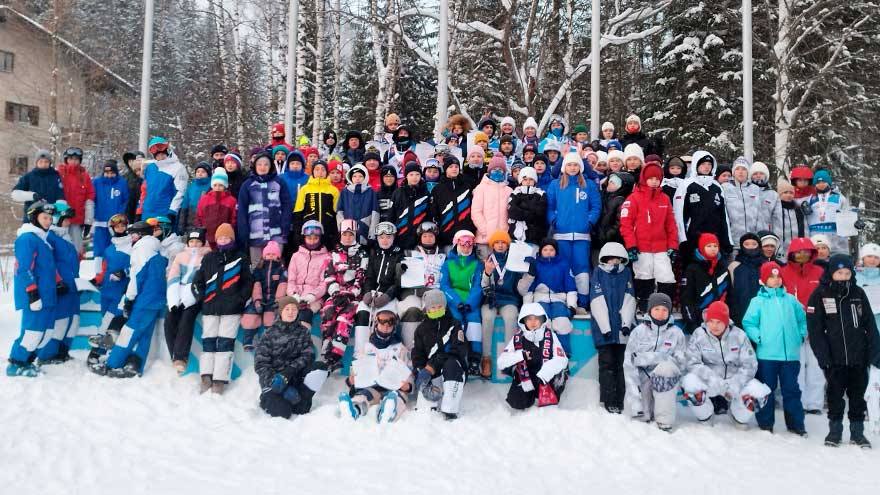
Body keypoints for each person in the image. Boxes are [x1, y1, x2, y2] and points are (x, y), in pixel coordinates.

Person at [806, 254, 880, 447]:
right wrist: (824, 357)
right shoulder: (820, 294)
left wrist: (875, 353)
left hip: (858, 357)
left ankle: (857, 433)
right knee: (835, 397)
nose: (843, 276)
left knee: (858, 397)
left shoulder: (858, 293)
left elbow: (870, 325)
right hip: (834, 359)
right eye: (839, 273)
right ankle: (835, 431)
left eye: (847, 272)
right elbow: (815, 331)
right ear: (831, 272)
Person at [91, 219, 168, 378]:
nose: (131, 238)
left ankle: (113, 364)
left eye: (133, 235)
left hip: (144, 299)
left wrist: (129, 299)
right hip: (156, 300)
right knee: (145, 334)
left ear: (140, 235)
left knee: (128, 332)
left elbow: (136, 278)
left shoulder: (141, 250)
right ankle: (135, 366)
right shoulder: (158, 248)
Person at [742, 261, 808, 435]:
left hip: (790, 357)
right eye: (771, 277)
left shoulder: (791, 300)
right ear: (764, 279)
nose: (776, 280)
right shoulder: (757, 301)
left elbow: (802, 320)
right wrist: (759, 337)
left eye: (778, 276)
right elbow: (748, 322)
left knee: (791, 390)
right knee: (766, 390)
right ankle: (765, 423)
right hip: (767, 355)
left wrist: (801, 335)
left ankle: (796, 424)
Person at [682, 301, 769, 426]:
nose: (714, 326)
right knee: (690, 384)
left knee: (759, 393)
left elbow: (750, 365)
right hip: (711, 380)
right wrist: (714, 381)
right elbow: (692, 362)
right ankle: (705, 416)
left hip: (734, 381)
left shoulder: (739, 335)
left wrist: (734, 385)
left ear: (726, 322)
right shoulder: (699, 334)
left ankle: (738, 417)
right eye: (711, 321)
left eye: (719, 322)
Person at [192, 223, 253, 394]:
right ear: (216, 239)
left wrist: (239, 300)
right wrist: (202, 298)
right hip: (210, 308)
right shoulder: (209, 258)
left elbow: (248, 282)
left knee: (225, 343)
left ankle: (219, 379)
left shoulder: (241, 258)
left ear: (232, 239)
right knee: (208, 342)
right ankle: (206, 375)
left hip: (231, 309)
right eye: (220, 237)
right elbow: (197, 281)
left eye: (227, 237)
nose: (223, 240)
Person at [255, 296, 330, 418]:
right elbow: (260, 364)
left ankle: (303, 398)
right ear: (280, 311)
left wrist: (289, 372)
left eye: (294, 309)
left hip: (294, 378)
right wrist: (280, 385)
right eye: (287, 309)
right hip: (274, 383)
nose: (291, 312)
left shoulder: (303, 332)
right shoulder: (269, 333)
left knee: (320, 368)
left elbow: (309, 355)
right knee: (283, 412)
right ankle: (268, 399)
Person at [7, 201, 58, 377]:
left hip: (47, 295)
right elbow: (23, 268)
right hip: (35, 296)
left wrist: (58, 282)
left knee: (44, 333)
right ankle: (16, 363)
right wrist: (32, 292)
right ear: (34, 217)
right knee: (32, 332)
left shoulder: (42, 241)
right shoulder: (27, 238)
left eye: (50, 218)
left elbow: (47, 269)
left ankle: (27, 361)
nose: (48, 221)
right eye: (45, 217)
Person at [619, 161, 678, 311]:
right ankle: (645, 305)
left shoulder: (664, 199)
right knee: (644, 275)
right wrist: (631, 245)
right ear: (644, 179)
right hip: (641, 247)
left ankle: (665, 307)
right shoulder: (633, 198)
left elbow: (671, 225)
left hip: (661, 247)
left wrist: (673, 246)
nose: (654, 181)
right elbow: (626, 225)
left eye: (657, 179)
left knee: (666, 276)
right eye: (651, 178)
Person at [623, 293, 686, 431]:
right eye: (656, 309)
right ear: (650, 310)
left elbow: (680, 362)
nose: (660, 313)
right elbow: (629, 363)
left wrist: (645, 358)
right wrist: (635, 402)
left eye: (664, 310)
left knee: (666, 368)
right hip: (643, 378)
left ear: (669, 312)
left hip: (665, 378)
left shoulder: (677, 333)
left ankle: (664, 420)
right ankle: (643, 408)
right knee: (642, 416)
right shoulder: (638, 332)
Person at [546, 152, 602, 310]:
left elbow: (596, 206)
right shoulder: (555, 185)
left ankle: (583, 303)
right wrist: (554, 220)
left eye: (576, 165)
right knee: (564, 267)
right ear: (564, 167)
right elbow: (549, 207)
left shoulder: (589, 185)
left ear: (580, 167)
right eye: (569, 164)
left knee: (582, 268)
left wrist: (589, 222)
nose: (572, 167)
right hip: (561, 235)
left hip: (582, 236)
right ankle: (565, 301)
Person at [338, 309, 413, 422]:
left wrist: (408, 386)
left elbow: (409, 373)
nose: (386, 325)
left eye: (390, 322)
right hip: (372, 387)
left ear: (394, 325)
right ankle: (354, 409)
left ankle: (389, 411)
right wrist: (351, 380)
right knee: (364, 395)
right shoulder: (366, 347)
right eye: (382, 321)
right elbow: (356, 371)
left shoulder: (401, 349)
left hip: (394, 387)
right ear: (376, 323)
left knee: (396, 397)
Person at [589, 242, 637, 414]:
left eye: (617, 259)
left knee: (622, 365)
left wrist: (626, 324)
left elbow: (629, 298)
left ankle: (622, 399)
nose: (613, 262)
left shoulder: (626, 274)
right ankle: (609, 400)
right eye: (610, 259)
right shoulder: (598, 273)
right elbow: (596, 300)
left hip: (622, 331)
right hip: (604, 331)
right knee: (607, 364)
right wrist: (605, 327)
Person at [780, 237, 826, 413]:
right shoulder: (783, 272)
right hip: (792, 325)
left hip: (817, 325)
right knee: (796, 365)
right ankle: (797, 400)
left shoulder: (820, 272)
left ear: (811, 253)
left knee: (816, 365)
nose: (801, 255)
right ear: (791, 253)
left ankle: (814, 404)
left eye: (806, 251)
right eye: (798, 252)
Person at [497, 303, 569, 409]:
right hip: (527, 377)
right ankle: (529, 395)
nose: (533, 322)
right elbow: (501, 362)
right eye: (529, 319)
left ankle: (547, 393)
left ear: (542, 320)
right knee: (517, 403)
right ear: (524, 321)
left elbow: (562, 359)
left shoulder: (551, 336)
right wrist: (520, 355)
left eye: (537, 318)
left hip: (547, 377)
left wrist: (545, 374)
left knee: (548, 407)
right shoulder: (517, 338)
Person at [411, 289, 469, 420]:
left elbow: (457, 350)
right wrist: (421, 371)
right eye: (433, 307)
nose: (436, 309)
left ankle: (450, 409)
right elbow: (417, 354)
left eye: (440, 306)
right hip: (431, 372)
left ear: (445, 306)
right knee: (424, 409)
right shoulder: (420, 330)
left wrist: (432, 366)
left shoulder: (455, 325)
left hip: (452, 371)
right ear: (427, 309)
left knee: (451, 364)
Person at [319, 219, 368, 370]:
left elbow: (362, 276)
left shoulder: (362, 253)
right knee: (328, 312)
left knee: (343, 318)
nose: (347, 237)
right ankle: (326, 349)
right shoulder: (333, 253)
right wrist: (335, 293)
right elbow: (328, 275)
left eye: (351, 234)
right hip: (336, 294)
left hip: (353, 297)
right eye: (345, 234)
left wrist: (350, 294)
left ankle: (335, 356)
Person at [32, 201, 78, 364]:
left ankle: (62, 352)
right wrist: (57, 281)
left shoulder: (64, 236)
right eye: (65, 219)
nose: (69, 222)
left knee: (73, 321)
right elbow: (47, 263)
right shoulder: (49, 237)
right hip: (60, 285)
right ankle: (46, 354)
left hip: (71, 284)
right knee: (60, 321)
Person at [164, 227, 210, 374]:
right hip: (178, 292)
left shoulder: (208, 257)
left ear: (202, 243)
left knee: (186, 320)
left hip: (195, 295)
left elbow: (202, 280)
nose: (194, 244)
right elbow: (173, 276)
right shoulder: (181, 256)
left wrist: (189, 297)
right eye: (192, 241)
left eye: (198, 241)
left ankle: (181, 357)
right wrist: (173, 299)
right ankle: (175, 356)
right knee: (170, 319)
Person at [88, 214, 131, 366]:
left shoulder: (133, 245)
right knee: (105, 322)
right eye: (117, 226)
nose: (120, 228)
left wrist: (124, 272)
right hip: (106, 292)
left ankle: (97, 352)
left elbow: (138, 267)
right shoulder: (109, 248)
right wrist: (96, 279)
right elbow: (104, 269)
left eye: (122, 225)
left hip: (121, 292)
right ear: (112, 229)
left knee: (109, 322)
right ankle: (102, 352)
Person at [352, 222, 403, 353]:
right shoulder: (374, 253)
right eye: (381, 237)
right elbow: (369, 276)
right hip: (373, 293)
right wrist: (367, 292)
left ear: (393, 238)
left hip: (389, 296)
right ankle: (360, 352)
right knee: (363, 312)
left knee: (385, 318)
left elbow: (399, 282)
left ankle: (385, 354)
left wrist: (387, 296)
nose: (385, 240)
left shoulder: (399, 255)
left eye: (388, 237)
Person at [521, 238, 578, 353]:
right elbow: (529, 289)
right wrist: (527, 307)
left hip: (559, 299)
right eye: (545, 249)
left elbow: (571, 287)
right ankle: (543, 354)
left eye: (551, 249)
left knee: (562, 322)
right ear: (540, 251)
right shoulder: (535, 264)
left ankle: (564, 355)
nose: (548, 252)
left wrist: (572, 306)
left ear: (556, 251)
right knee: (543, 323)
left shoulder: (564, 264)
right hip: (540, 299)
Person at [673, 151, 733, 260]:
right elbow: (678, 215)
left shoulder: (716, 187)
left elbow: (724, 216)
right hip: (693, 240)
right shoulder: (686, 185)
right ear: (696, 165)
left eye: (709, 164)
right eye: (703, 164)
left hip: (714, 240)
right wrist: (682, 240)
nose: (706, 167)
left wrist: (727, 241)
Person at [479, 231, 523, 379]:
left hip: (509, 299)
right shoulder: (487, 260)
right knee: (487, 319)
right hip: (491, 299)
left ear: (507, 245)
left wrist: (528, 271)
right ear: (492, 245)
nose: (499, 245)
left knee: (511, 317)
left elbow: (520, 286)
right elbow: (483, 286)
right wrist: (487, 272)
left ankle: (509, 359)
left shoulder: (514, 261)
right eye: (496, 242)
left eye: (503, 242)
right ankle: (486, 359)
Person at [440, 230, 484, 376]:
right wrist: (457, 302)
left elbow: (478, 286)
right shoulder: (448, 264)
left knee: (474, 322)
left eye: (469, 245)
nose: (466, 248)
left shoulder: (477, 264)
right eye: (462, 244)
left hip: (471, 302)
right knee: (455, 323)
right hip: (454, 302)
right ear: (456, 244)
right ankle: (452, 356)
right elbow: (444, 286)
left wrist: (470, 303)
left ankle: (474, 359)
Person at [238, 153, 293, 267]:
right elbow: (242, 209)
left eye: (266, 164)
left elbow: (287, 205)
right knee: (257, 265)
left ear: (270, 166)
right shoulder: (247, 185)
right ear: (255, 166)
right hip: (255, 233)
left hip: (276, 232)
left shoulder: (279, 182)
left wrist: (285, 225)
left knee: (275, 265)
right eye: (259, 164)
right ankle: (257, 285)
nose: (262, 167)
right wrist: (243, 230)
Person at [396, 222, 447, 346]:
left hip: (433, 292)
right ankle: (410, 348)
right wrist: (400, 269)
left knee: (434, 311)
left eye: (431, 236)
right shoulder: (410, 253)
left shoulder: (443, 255)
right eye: (425, 236)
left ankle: (432, 349)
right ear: (420, 238)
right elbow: (398, 278)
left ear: (435, 237)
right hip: (412, 292)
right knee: (412, 310)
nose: (428, 239)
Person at [286, 220, 331, 330]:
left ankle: (302, 343)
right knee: (287, 313)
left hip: (314, 298)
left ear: (320, 238)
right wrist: (294, 295)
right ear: (304, 238)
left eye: (315, 238)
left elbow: (324, 284)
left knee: (304, 314)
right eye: (309, 238)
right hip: (296, 295)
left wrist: (312, 296)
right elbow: (291, 280)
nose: (312, 242)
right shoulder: (296, 256)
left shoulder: (327, 257)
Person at [681, 233, 730, 333]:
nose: (713, 249)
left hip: (720, 319)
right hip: (699, 320)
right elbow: (686, 297)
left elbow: (730, 293)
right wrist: (691, 321)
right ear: (701, 247)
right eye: (709, 246)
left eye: (715, 246)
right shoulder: (692, 269)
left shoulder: (723, 268)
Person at [140, 136, 189, 227]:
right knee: (146, 240)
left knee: (163, 239)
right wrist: (139, 209)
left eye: (163, 154)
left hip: (165, 212)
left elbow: (181, 192)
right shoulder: (151, 168)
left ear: (167, 150)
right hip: (147, 212)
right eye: (157, 155)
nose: (160, 157)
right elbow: (144, 190)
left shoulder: (178, 168)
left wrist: (173, 211)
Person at [430, 155, 476, 249]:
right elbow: (434, 211)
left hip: (466, 235)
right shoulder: (438, 189)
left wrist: (471, 227)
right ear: (445, 169)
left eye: (456, 167)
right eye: (451, 167)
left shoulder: (467, 186)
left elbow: (474, 207)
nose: (454, 169)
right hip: (446, 236)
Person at [471, 155, 513, 258]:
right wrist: (485, 230)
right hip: (485, 239)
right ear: (489, 171)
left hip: (502, 240)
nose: (497, 171)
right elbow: (476, 212)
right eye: (494, 169)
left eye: (500, 169)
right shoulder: (481, 188)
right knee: (486, 269)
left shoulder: (509, 190)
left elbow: (511, 214)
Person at [92, 160, 130, 271]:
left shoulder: (121, 183)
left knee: (114, 247)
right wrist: (94, 214)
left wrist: (120, 215)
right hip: (100, 221)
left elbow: (125, 200)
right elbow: (92, 200)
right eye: (107, 173)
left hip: (116, 223)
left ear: (116, 173)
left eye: (112, 173)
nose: (109, 175)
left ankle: (113, 271)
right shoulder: (97, 182)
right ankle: (98, 273)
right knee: (99, 248)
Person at [803, 169, 852, 253]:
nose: (821, 185)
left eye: (823, 182)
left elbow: (848, 216)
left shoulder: (839, 198)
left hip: (836, 240)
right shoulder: (810, 199)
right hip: (816, 240)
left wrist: (854, 222)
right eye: (818, 183)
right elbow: (805, 221)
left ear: (829, 183)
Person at [56, 147, 95, 254]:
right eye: (71, 159)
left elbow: (89, 200)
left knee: (76, 250)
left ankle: (74, 269)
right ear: (66, 160)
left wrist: (88, 221)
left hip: (77, 220)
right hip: (60, 221)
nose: (73, 161)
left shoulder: (84, 176)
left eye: (76, 159)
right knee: (59, 250)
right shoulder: (58, 174)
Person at [722, 157, 761, 257]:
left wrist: (760, 237)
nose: (741, 172)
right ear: (733, 172)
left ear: (748, 173)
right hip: (733, 242)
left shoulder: (755, 189)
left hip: (752, 242)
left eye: (744, 169)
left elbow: (760, 216)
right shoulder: (725, 188)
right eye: (738, 169)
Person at [390, 161, 432, 250]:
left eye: (417, 174)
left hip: (419, 239)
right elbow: (391, 215)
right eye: (411, 174)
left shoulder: (425, 193)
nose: (414, 177)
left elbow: (429, 216)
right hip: (400, 237)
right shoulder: (398, 192)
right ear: (406, 176)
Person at [727, 233, 765, 327]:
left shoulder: (765, 265)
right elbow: (729, 292)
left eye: (754, 244)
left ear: (759, 246)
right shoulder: (733, 266)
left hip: (764, 314)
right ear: (741, 246)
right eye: (747, 244)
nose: (751, 247)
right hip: (740, 314)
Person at [337, 163, 379, 246]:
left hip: (365, 228)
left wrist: (372, 233)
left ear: (365, 177)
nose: (357, 179)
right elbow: (339, 212)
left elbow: (375, 213)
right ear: (350, 177)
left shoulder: (371, 192)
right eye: (354, 176)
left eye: (360, 176)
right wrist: (341, 229)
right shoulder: (345, 192)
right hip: (348, 230)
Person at [196, 168, 237, 249]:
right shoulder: (204, 199)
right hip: (207, 236)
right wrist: (201, 231)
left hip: (224, 238)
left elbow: (234, 218)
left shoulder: (231, 200)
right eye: (215, 185)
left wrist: (230, 230)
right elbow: (199, 216)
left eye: (220, 185)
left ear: (225, 186)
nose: (217, 187)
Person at [507, 166, 548, 245]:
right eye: (525, 179)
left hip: (535, 235)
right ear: (521, 181)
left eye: (531, 179)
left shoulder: (541, 194)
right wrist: (529, 212)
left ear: (535, 181)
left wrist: (521, 209)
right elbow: (512, 211)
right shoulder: (515, 193)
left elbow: (539, 213)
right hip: (516, 235)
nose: (528, 182)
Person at [178, 162, 212, 235]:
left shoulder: (212, 186)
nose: (200, 173)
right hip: (191, 222)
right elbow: (184, 205)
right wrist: (181, 225)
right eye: (198, 171)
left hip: (206, 223)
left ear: (208, 174)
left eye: (203, 172)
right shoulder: (191, 186)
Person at [777, 179, 806, 257]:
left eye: (791, 193)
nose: (788, 195)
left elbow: (804, 228)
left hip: (797, 248)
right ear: (779, 195)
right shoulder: (777, 209)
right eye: (785, 193)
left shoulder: (798, 210)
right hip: (780, 249)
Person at [858, 243, 880, 329]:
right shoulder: (853, 274)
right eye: (869, 256)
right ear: (863, 257)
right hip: (860, 318)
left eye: (876, 257)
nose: (872, 260)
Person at [121, 151, 145, 221]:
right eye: (129, 161)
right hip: (127, 213)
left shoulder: (147, 176)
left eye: (133, 160)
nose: (131, 163)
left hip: (142, 212)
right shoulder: (124, 177)